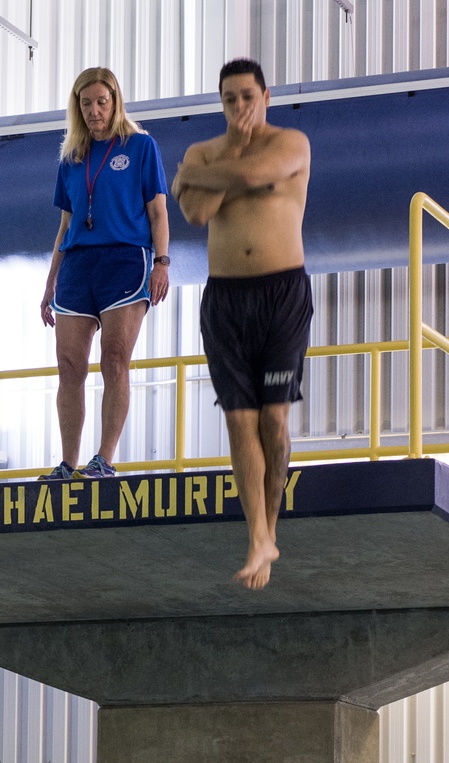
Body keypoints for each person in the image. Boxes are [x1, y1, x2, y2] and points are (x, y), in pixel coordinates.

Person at [171, 58, 311, 590]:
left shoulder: (291, 143)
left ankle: (270, 528)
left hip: (283, 292)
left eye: (247, 97)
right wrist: (221, 166)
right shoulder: (204, 151)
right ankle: (257, 537)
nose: (239, 108)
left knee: (274, 418)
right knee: (238, 419)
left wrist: (194, 176)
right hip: (226, 298)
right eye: (229, 100)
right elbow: (197, 215)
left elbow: (255, 175)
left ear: (266, 96)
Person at [40, 66, 170, 480]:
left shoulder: (141, 147)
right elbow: (65, 224)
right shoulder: (71, 157)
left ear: (115, 101)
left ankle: (104, 459)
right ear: (76, 108)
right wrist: (49, 283)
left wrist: (162, 262)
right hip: (78, 263)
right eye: (86, 103)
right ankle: (67, 463)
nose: (94, 111)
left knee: (114, 357)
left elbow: (158, 211)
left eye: (101, 101)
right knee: (68, 364)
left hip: (125, 261)